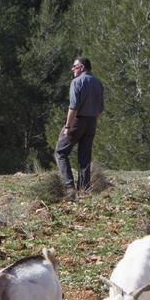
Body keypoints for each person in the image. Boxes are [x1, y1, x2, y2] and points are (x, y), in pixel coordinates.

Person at [55, 56, 104, 198]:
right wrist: (91, 120)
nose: (72, 69)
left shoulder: (77, 82)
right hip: (92, 122)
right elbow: (100, 109)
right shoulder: (98, 83)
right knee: (84, 157)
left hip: (77, 121)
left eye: (74, 66)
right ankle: (84, 190)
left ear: (82, 67)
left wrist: (67, 127)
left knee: (60, 152)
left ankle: (69, 187)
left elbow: (73, 107)